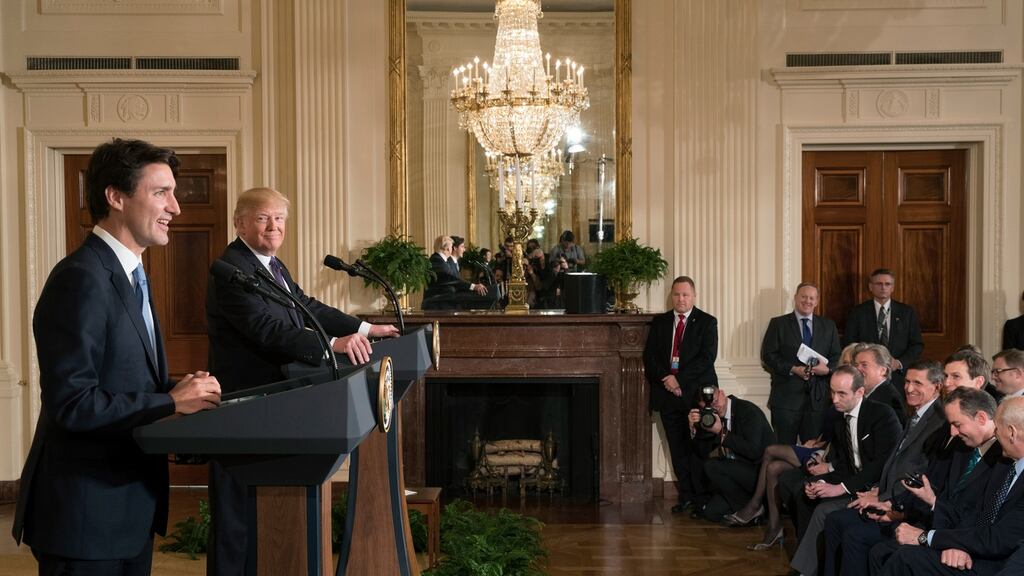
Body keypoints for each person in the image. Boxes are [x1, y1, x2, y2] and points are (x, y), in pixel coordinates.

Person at [12, 138, 222, 576]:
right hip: (86, 518)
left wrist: (184, 393)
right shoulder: (80, 279)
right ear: (115, 196)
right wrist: (169, 402)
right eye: (161, 192)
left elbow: (124, 384)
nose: (176, 208)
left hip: (128, 510)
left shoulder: (131, 275)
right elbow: (72, 403)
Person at [205, 186, 399, 576]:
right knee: (236, 517)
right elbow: (267, 328)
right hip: (245, 406)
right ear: (240, 222)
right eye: (262, 218)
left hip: (276, 402)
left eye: (279, 218)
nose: (273, 226)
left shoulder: (271, 264)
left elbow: (305, 306)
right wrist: (331, 343)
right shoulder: (233, 269)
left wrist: (364, 327)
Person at [822, 359, 949, 576]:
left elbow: (922, 474)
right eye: (907, 381)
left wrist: (887, 500)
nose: (909, 388)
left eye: (917, 383)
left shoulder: (940, 422)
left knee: (852, 533)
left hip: (908, 508)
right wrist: (878, 492)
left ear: (936, 387)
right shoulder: (917, 415)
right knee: (834, 521)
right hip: (888, 495)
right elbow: (897, 463)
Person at [877, 396, 1024, 576]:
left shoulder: (1004, 464)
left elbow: (1000, 538)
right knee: (898, 554)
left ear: (1011, 432)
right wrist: (954, 543)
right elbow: (977, 515)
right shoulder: (1008, 466)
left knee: (906, 558)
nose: (995, 434)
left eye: (997, 429)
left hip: (999, 564)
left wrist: (927, 538)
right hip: (976, 546)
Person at [779, 365, 901, 576]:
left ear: (860, 392)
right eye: (832, 392)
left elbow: (881, 464)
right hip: (854, 480)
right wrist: (824, 484)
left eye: (841, 393)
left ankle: (803, 571)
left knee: (823, 510)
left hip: (876, 487)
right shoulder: (838, 416)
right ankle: (812, 563)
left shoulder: (881, 415)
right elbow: (845, 462)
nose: (834, 399)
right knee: (804, 494)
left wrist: (840, 488)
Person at [643, 276, 719, 514]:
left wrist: (679, 380)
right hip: (668, 396)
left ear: (693, 296)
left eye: (685, 294)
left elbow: (707, 358)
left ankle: (702, 499)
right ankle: (685, 496)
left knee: (698, 449)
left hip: (696, 396)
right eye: (676, 294)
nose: (681, 299)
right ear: (671, 296)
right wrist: (667, 378)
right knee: (677, 448)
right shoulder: (661, 322)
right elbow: (650, 357)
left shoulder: (707, 322)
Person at [761, 282, 842, 445]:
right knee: (783, 449)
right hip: (786, 400)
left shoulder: (828, 325)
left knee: (813, 450)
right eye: (804, 297)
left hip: (817, 402)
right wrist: (793, 369)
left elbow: (837, 357)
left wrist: (826, 370)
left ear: (817, 301)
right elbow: (768, 356)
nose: (807, 301)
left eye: (812, 298)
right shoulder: (778, 324)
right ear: (795, 298)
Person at [688, 386, 774, 522]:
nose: (714, 409)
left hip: (759, 474)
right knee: (711, 512)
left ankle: (753, 509)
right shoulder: (712, 417)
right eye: (709, 408)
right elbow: (701, 453)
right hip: (738, 479)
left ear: (722, 393)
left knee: (713, 466)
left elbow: (754, 452)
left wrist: (721, 432)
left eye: (715, 403)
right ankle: (751, 509)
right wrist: (694, 429)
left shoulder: (747, 411)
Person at [843, 269, 924, 400]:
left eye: (887, 284)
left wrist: (899, 363)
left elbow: (917, 344)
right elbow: (850, 344)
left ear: (893, 287)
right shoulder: (858, 312)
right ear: (870, 286)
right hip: (866, 379)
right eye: (879, 284)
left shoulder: (906, 312)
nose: (883, 287)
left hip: (898, 378)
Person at [422, 235, 493, 310]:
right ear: (446, 248)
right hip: (436, 306)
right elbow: (451, 278)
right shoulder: (437, 260)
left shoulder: (440, 260)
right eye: (451, 246)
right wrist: (473, 286)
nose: (452, 249)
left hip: (441, 305)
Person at [854, 343, 909, 425]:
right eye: (856, 365)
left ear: (883, 370)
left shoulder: (890, 400)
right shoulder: (866, 394)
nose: (857, 369)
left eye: (864, 365)